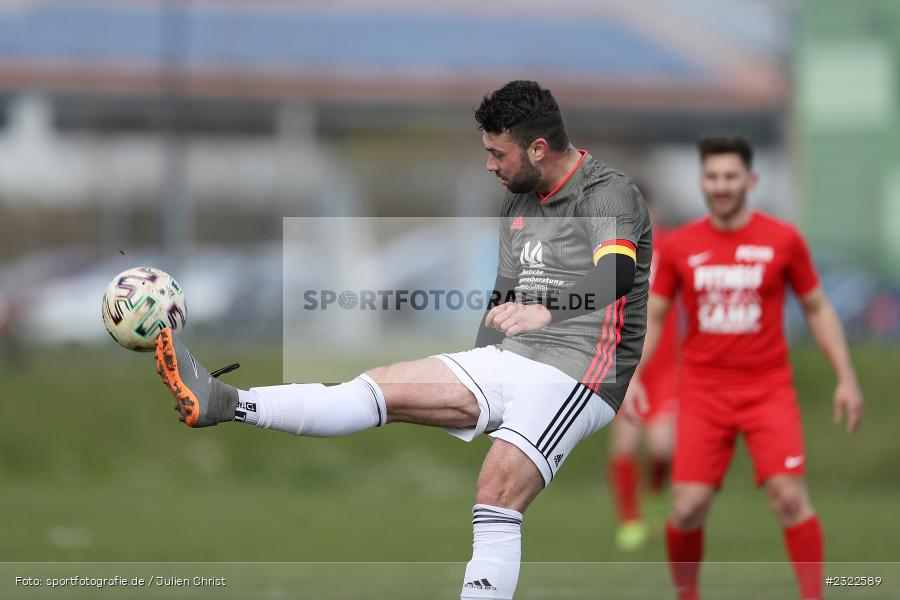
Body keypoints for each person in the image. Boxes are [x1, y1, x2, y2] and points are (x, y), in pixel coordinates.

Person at [155, 80, 652, 600]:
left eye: (497, 153)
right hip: (513, 359)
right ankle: (228, 402)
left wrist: (546, 309)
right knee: (379, 387)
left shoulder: (607, 192)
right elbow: (502, 301)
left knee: (497, 494)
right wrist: (479, 375)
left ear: (538, 148)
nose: (489, 165)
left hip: (582, 371)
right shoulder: (517, 201)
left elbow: (616, 275)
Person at [624, 135, 864, 600]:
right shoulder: (681, 246)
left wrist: (846, 378)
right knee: (687, 508)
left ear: (750, 180)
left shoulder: (783, 240)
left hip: (767, 390)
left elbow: (817, 308)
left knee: (789, 497)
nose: (721, 185)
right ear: (702, 182)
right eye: (713, 177)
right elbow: (654, 317)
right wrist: (632, 375)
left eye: (731, 176)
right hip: (702, 394)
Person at [608, 207, 680, 552]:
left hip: (665, 366)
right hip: (626, 364)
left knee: (663, 447)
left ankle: (655, 492)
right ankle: (629, 519)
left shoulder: (672, 247)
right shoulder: (613, 249)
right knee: (625, 444)